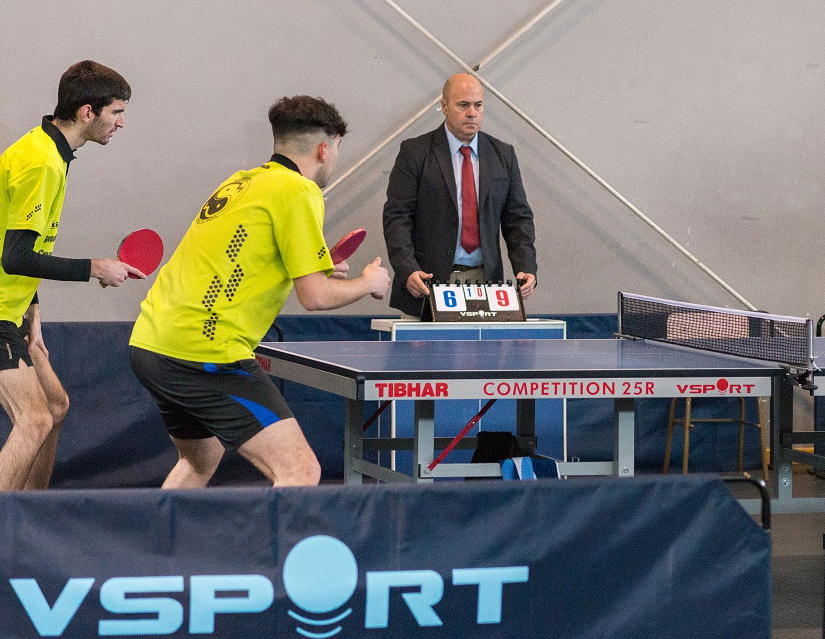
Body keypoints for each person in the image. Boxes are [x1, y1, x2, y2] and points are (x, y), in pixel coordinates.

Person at [128, 96, 391, 487]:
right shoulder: (299, 191)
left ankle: (157, 545)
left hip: (151, 343)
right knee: (300, 471)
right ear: (325, 147)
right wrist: (368, 283)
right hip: (203, 352)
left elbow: (245, 251)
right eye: (337, 149)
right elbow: (315, 296)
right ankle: (279, 551)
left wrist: (311, 263)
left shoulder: (243, 182)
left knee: (200, 461)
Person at [0, 61, 144, 491]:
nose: (121, 122)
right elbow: (16, 257)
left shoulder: (49, 149)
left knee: (55, 404)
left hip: (6, 303)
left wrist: (32, 310)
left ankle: (32, 509)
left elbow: (13, 239)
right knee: (33, 420)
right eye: (116, 112)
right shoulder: (42, 163)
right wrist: (95, 268)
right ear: (88, 112)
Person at [382, 72, 537, 318]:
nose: (472, 113)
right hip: (426, 284)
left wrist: (526, 267)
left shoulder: (503, 155)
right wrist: (407, 270)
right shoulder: (415, 152)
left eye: (478, 105)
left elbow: (518, 219)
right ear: (444, 106)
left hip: (486, 285)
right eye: (463, 105)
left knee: (483, 357)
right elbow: (397, 217)